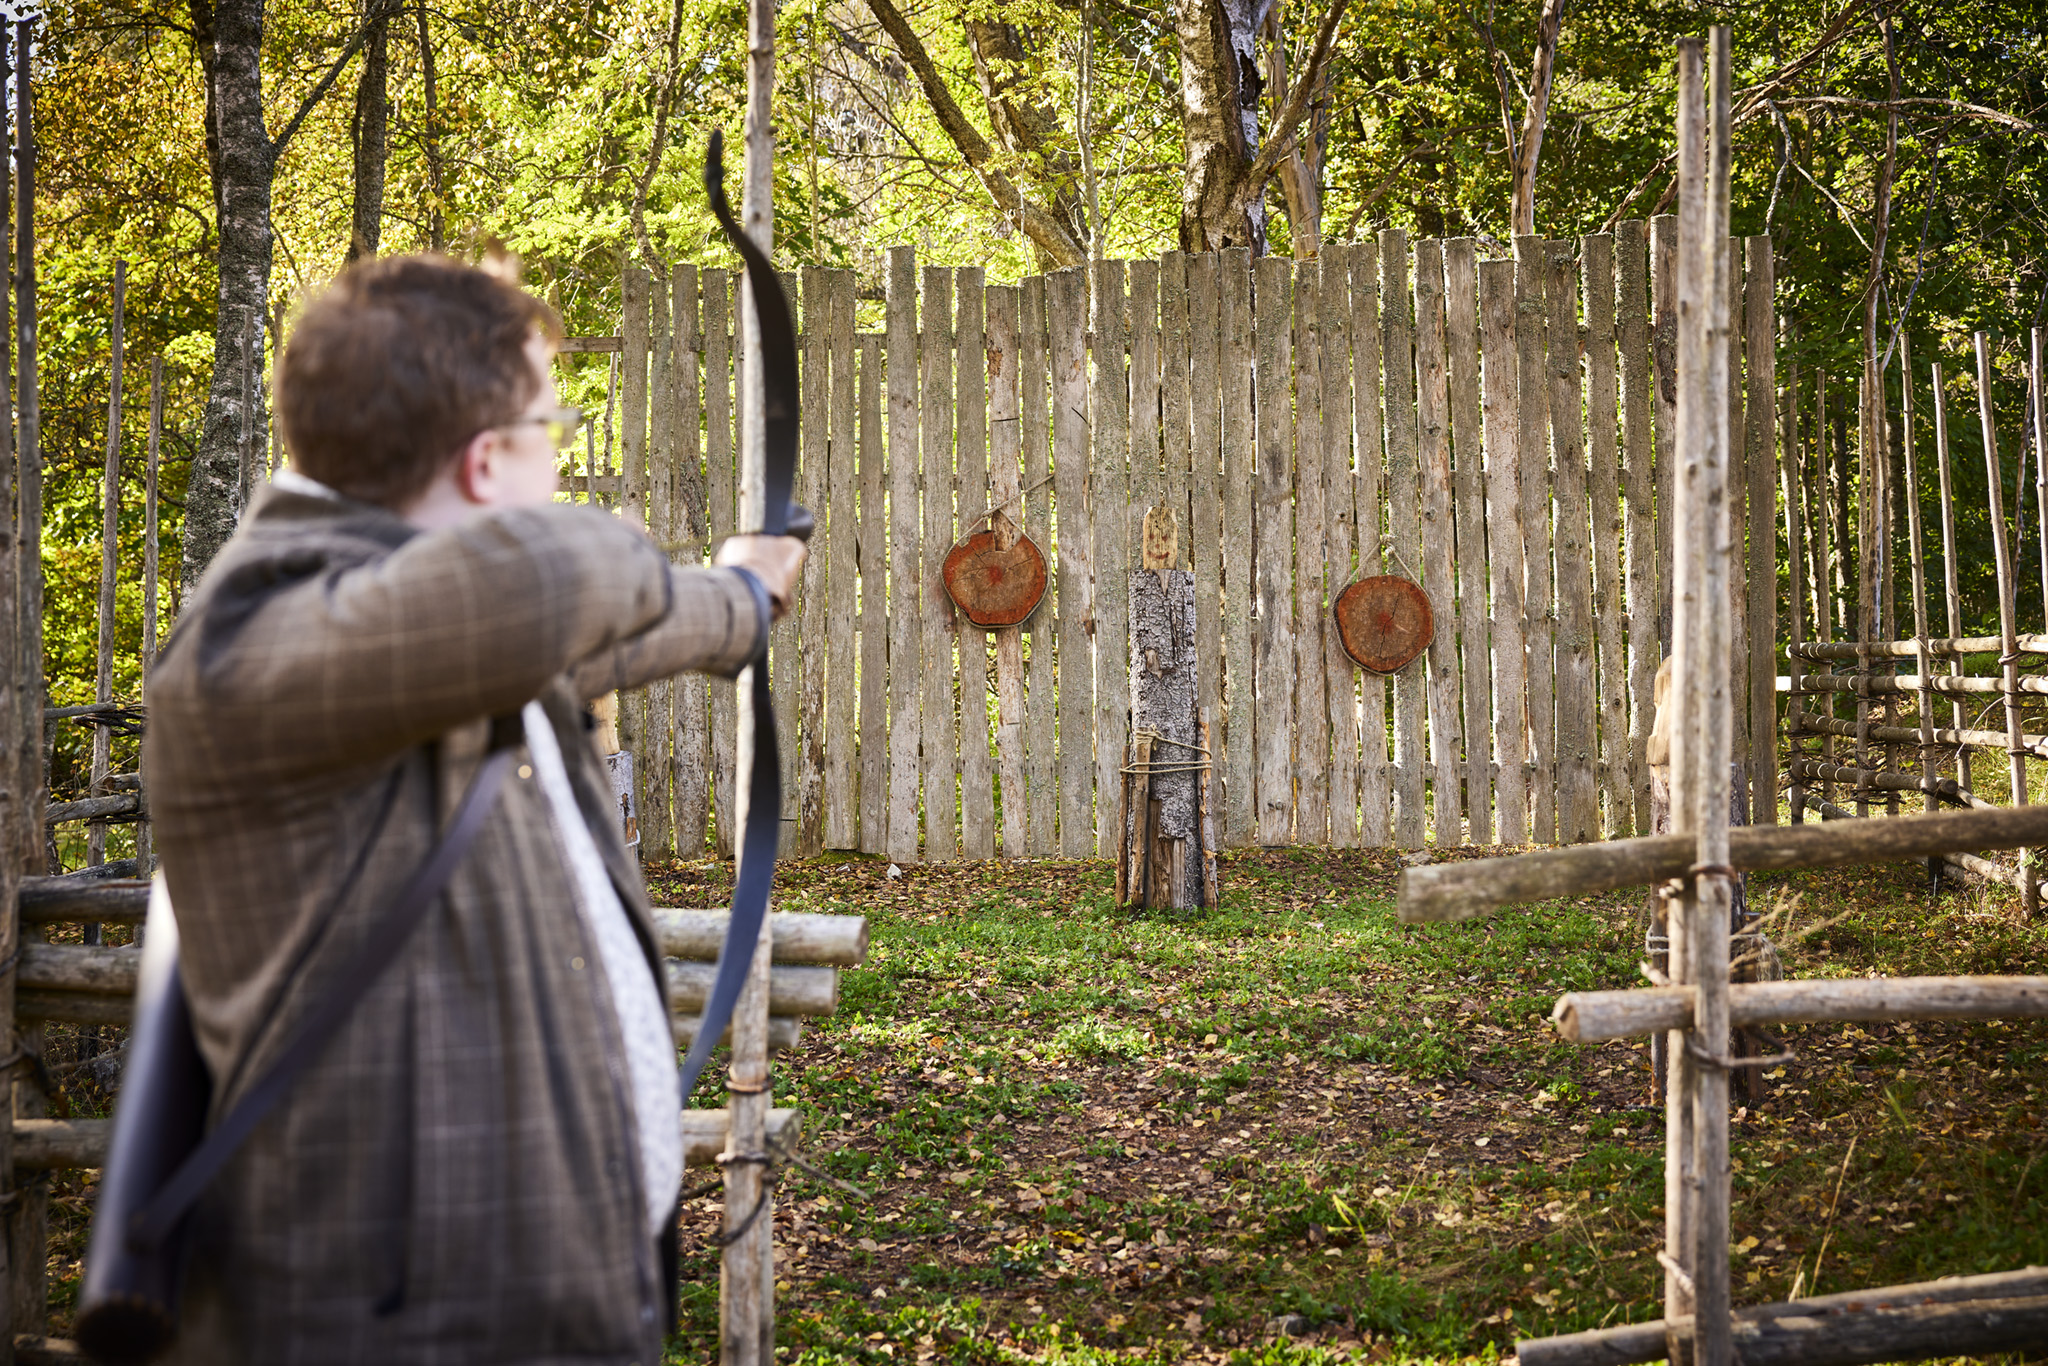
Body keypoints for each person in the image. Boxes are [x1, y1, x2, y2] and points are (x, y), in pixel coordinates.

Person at [141, 253, 805, 1364]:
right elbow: (558, 577)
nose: (565, 455)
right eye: (552, 426)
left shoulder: (438, 633)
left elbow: (617, 626)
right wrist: (705, 584)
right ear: (489, 460)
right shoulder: (259, 639)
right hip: (396, 1329)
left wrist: (741, 599)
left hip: (552, 1295)